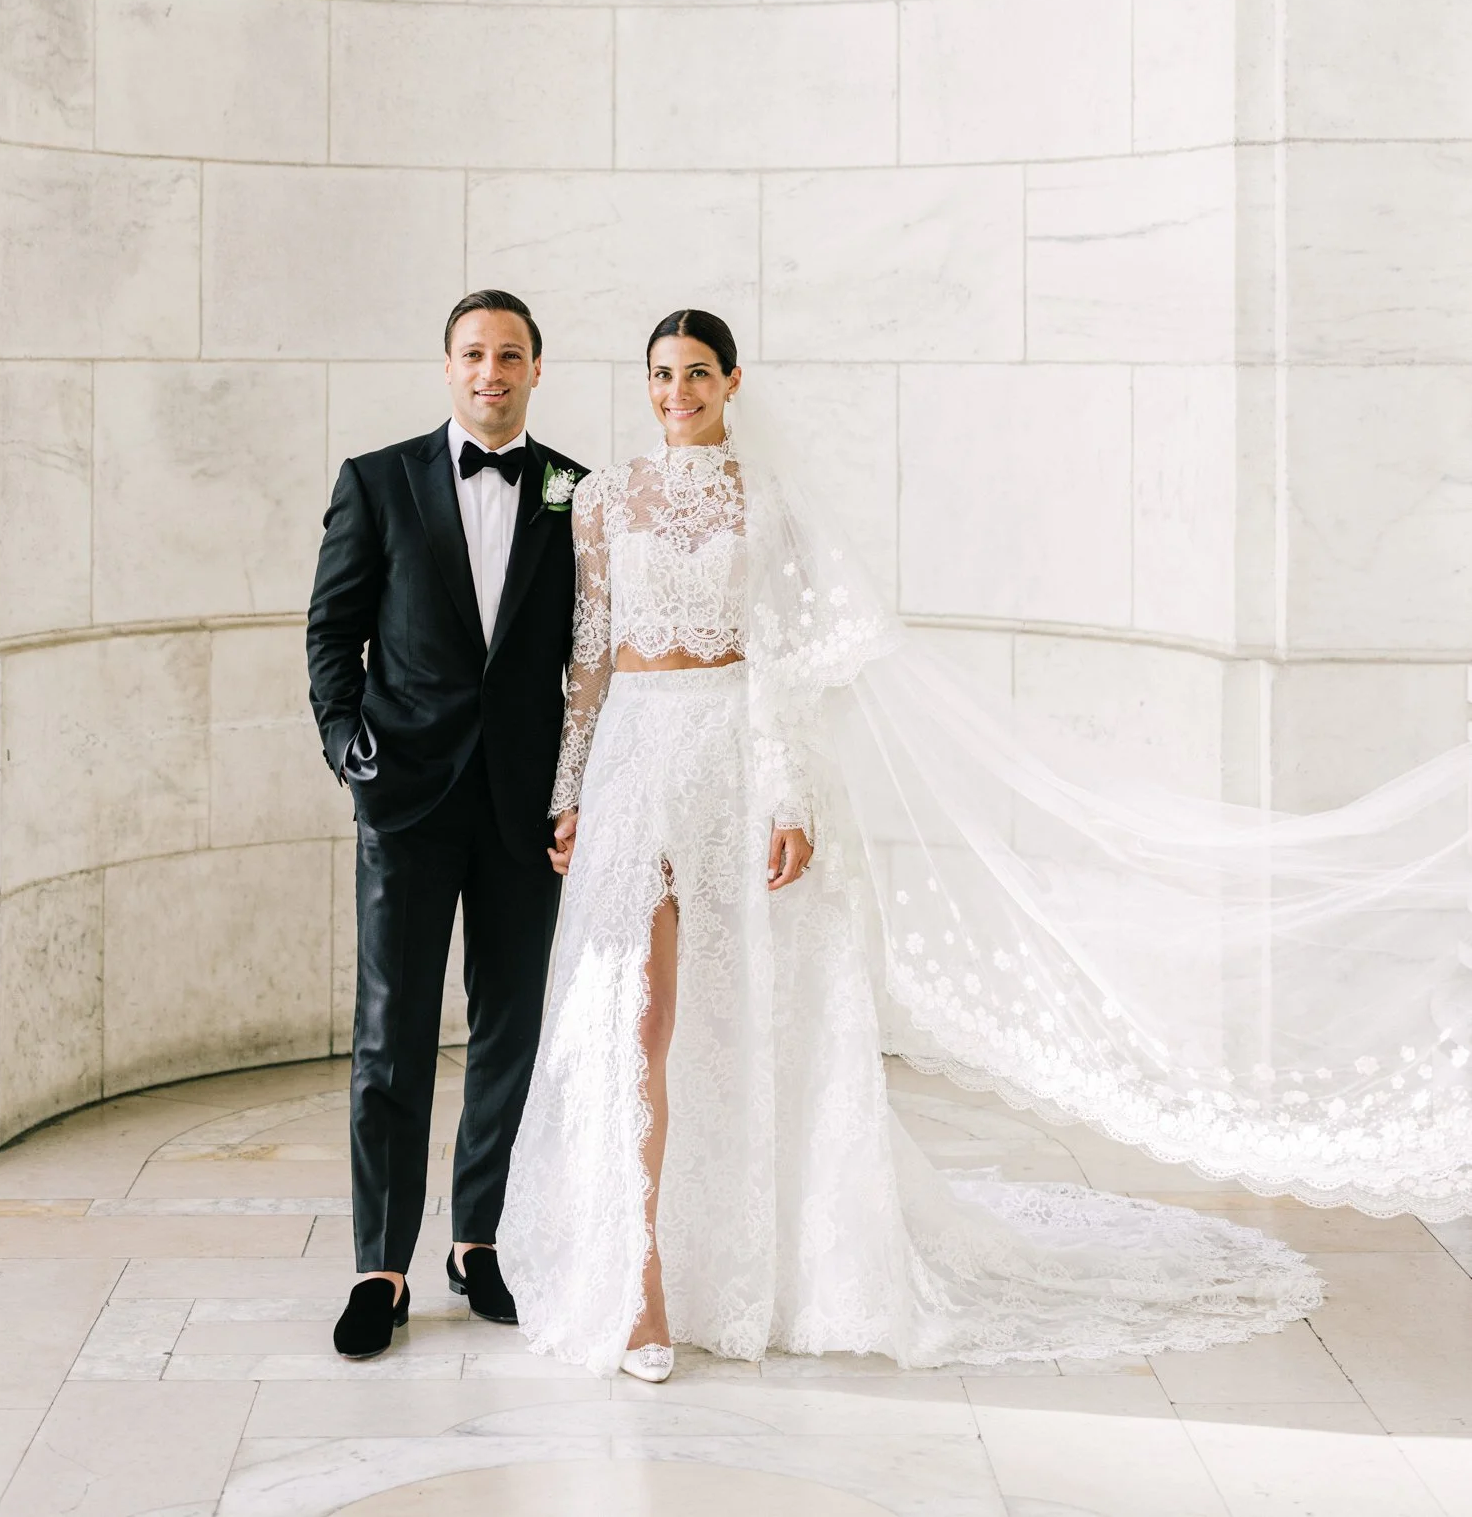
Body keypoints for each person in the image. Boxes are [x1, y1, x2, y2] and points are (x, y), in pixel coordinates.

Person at [496, 309, 1326, 1380]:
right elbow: (587, 652)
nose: (675, 394)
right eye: (660, 375)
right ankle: (639, 1276)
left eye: (696, 374)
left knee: (729, 1017)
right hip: (630, 765)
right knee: (634, 1018)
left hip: (733, 761)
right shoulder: (602, 499)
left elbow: (788, 662)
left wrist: (788, 797)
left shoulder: (766, 501)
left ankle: (728, 1254)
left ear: (731, 381)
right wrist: (569, 792)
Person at [307, 290, 587, 1361]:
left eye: (509, 355)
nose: (490, 371)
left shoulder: (574, 492)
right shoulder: (375, 480)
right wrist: (348, 748)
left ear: (534, 367)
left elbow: (589, 655)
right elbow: (331, 631)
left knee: (510, 1030)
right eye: (472, 353)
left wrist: (580, 787)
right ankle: (379, 1263)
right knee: (391, 1034)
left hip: (524, 808)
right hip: (407, 798)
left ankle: (481, 1242)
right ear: (445, 365)